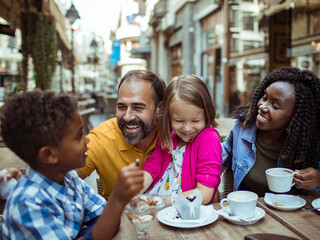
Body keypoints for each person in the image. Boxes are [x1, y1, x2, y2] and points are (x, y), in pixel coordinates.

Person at [0, 90, 144, 239]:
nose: (87, 139)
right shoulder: (28, 204)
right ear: (49, 155)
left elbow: (106, 218)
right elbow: (107, 220)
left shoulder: (69, 178)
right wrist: (117, 200)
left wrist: (84, 235)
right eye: (78, 136)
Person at [222, 67, 320, 197]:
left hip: (300, 220)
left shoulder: (317, 141)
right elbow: (214, 157)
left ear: (297, 117)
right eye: (264, 98)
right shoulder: (244, 127)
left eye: (275, 105)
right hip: (251, 215)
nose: (262, 107)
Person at [76, 70, 166, 199]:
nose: (128, 117)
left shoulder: (175, 135)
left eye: (138, 107)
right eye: (122, 107)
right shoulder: (102, 138)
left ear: (160, 108)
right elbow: (60, 179)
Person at [141, 75, 222, 204]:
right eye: (179, 121)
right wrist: (135, 189)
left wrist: (158, 201)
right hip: (156, 204)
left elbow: (204, 194)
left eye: (195, 120)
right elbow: (152, 166)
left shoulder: (208, 138)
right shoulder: (170, 135)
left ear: (207, 114)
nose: (187, 128)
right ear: (169, 117)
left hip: (184, 211)